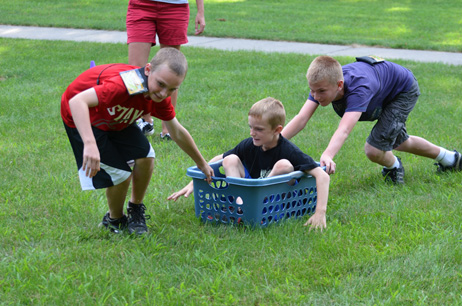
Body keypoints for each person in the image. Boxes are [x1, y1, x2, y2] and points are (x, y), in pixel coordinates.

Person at [61, 48, 213, 235]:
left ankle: (135, 210)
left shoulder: (159, 96)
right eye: (161, 84)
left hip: (114, 117)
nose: (164, 93)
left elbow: (177, 132)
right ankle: (114, 220)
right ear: (148, 69)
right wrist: (90, 143)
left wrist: (202, 164)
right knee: (120, 175)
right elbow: (77, 102)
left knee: (146, 156)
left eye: (172, 89)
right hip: (85, 118)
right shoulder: (124, 86)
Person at [282, 55, 461, 184]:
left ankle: (395, 167)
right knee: (398, 142)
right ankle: (452, 160)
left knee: (374, 149)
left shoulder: (359, 89)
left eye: (321, 91)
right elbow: (302, 118)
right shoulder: (322, 83)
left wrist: (328, 154)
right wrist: (274, 141)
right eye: (312, 90)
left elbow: (344, 129)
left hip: (401, 91)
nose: (315, 96)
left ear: (339, 85)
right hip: (383, 88)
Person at [168, 97, 330, 230]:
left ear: (277, 130)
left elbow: (322, 176)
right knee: (229, 159)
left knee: (284, 165)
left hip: (278, 201)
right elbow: (218, 159)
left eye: (259, 129)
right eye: (251, 127)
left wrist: (320, 213)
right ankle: (239, 209)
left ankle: (251, 209)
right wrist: (193, 182)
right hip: (247, 194)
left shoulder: (289, 151)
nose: (253, 133)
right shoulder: (250, 144)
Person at [126, 0, 206, 139]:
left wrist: (200, 11)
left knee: (171, 69)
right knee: (135, 71)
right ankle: (143, 120)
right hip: (141, 5)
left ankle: (168, 127)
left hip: (175, 7)